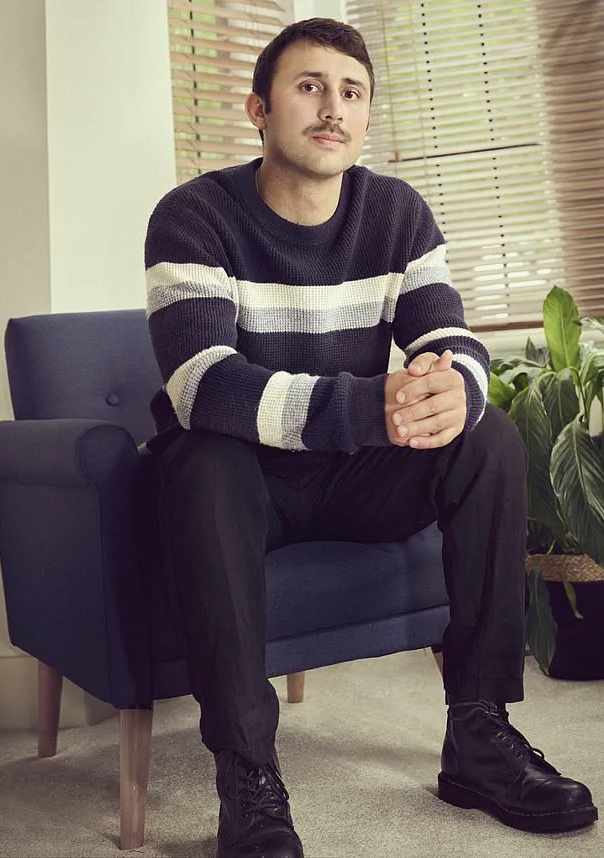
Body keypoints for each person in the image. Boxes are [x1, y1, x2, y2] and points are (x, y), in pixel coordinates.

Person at [144, 17, 598, 858]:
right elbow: (202, 384)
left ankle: (479, 734)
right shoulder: (193, 215)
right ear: (258, 109)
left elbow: (448, 337)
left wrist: (455, 390)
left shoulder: (395, 213)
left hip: (347, 476)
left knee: (488, 438)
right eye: (310, 87)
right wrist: (366, 406)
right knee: (203, 459)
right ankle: (247, 773)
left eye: (352, 92)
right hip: (239, 484)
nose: (334, 108)